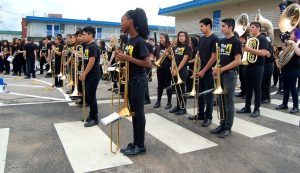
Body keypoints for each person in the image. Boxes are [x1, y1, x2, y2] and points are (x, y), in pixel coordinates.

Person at [116, 8, 151, 156]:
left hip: (138, 80)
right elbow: (129, 60)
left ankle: (140, 145)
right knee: (134, 113)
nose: (121, 24)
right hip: (131, 79)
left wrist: (127, 58)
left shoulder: (140, 41)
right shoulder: (130, 40)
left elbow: (147, 64)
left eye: (122, 20)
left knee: (139, 113)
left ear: (130, 21)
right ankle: (136, 142)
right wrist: (121, 57)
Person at [210, 18, 242, 138]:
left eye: (223, 26)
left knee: (228, 101)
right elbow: (219, 59)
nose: (221, 28)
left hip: (229, 74)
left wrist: (222, 69)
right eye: (221, 26)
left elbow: (238, 61)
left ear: (230, 27)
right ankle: (222, 124)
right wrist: (215, 68)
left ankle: (228, 127)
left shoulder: (236, 42)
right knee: (220, 101)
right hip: (221, 73)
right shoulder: (222, 41)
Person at [188, 18, 219, 127]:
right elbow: (199, 55)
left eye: (202, 26)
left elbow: (214, 57)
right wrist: (197, 69)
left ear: (208, 26)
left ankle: (208, 117)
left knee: (208, 95)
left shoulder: (214, 38)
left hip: (208, 71)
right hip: (200, 70)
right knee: (199, 94)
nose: (200, 28)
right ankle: (200, 114)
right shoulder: (201, 39)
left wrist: (203, 70)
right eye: (200, 26)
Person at [236, 22, 269, 117]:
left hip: (257, 67)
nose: (250, 29)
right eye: (250, 27)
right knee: (248, 88)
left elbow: (263, 53)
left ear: (258, 28)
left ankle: (257, 109)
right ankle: (247, 107)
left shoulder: (262, 39)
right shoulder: (250, 39)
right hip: (248, 65)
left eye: (252, 27)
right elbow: (246, 51)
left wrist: (249, 49)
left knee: (257, 88)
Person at [79, 26, 101, 127]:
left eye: (84, 35)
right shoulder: (88, 46)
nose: (83, 36)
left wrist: (84, 74)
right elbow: (86, 60)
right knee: (89, 95)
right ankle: (91, 115)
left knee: (91, 96)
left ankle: (94, 118)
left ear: (90, 35)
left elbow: (91, 62)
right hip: (89, 75)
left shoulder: (93, 46)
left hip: (93, 75)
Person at [276, 29, 300, 114]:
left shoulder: (298, 43)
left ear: (296, 35)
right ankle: (284, 104)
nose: (290, 34)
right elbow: (282, 54)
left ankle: (295, 106)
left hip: (294, 69)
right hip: (285, 68)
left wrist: (293, 43)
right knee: (285, 88)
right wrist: (285, 39)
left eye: (291, 33)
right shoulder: (288, 44)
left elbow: (298, 53)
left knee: (293, 88)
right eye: (289, 33)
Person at [169, 31, 191, 115]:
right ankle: (178, 106)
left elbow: (184, 60)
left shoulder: (188, 47)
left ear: (186, 37)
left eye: (183, 36)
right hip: (175, 70)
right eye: (179, 36)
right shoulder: (176, 47)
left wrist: (177, 70)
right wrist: (172, 68)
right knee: (177, 89)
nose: (181, 37)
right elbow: (173, 59)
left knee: (182, 89)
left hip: (182, 70)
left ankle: (183, 108)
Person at [153, 33, 172, 109]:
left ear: (166, 38)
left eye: (162, 38)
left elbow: (173, 59)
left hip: (168, 68)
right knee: (160, 85)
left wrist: (167, 54)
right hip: (159, 68)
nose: (161, 39)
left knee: (168, 85)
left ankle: (169, 102)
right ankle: (158, 101)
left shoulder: (170, 47)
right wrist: (154, 60)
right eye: (160, 38)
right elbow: (154, 56)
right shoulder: (158, 48)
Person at [261, 36, 275, 104]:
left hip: (269, 64)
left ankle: (267, 98)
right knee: (262, 82)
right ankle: (263, 97)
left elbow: (268, 54)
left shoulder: (268, 43)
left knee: (266, 81)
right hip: (264, 64)